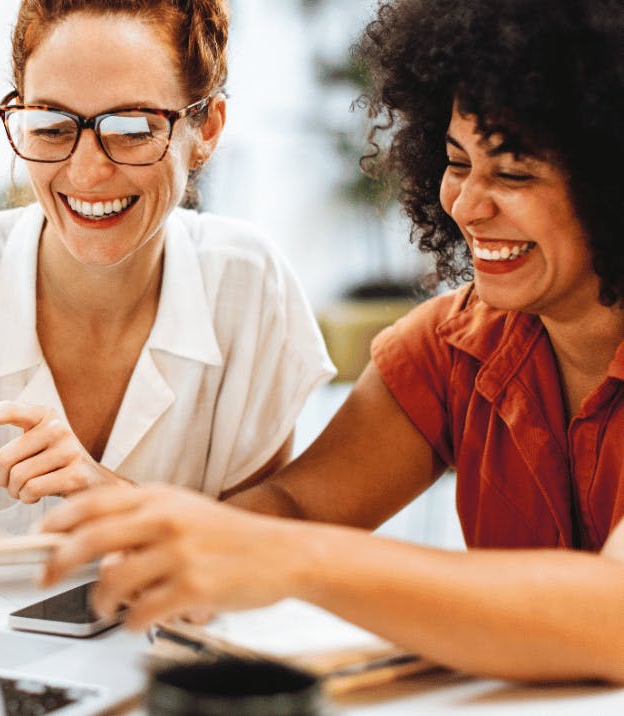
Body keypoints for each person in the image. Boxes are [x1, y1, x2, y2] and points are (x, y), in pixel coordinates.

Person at [39, 0, 624, 683]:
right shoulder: (453, 347)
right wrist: (141, 520)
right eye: (457, 163)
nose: (467, 203)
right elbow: (294, 508)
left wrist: (293, 557)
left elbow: (610, 619)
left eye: (513, 174)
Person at [0, 0, 334, 536]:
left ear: (206, 129)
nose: (87, 173)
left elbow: (263, 561)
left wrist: (112, 497)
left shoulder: (248, 286)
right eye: (50, 126)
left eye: (133, 128)